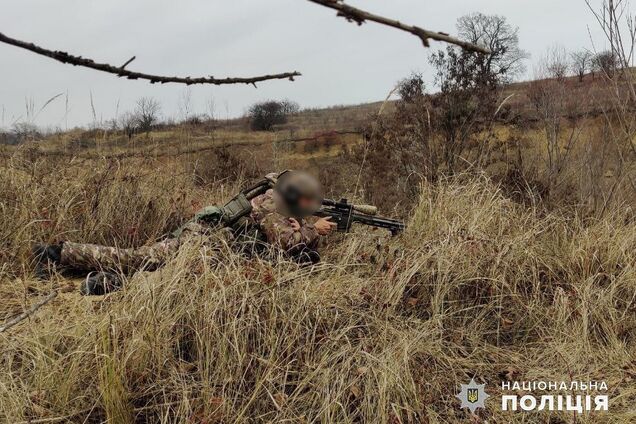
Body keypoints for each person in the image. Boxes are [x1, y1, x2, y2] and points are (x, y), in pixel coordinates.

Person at [33, 170, 336, 295]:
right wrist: (314, 230)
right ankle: (69, 261)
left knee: (143, 262)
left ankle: (63, 256)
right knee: (150, 268)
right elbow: (285, 243)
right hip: (202, 244)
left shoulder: (275, 198)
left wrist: (305, 226)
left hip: (201, 238)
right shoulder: (274, 203)